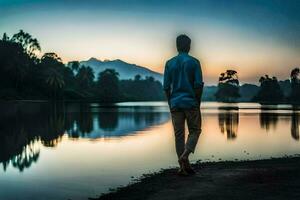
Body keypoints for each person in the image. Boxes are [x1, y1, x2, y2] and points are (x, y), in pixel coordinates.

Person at [163, 34, 203, 176]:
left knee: (179, 135)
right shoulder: (194, 62)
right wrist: (197, 102)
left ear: (176, 46)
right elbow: (198, 85)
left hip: (175, 102)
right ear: (189, 46)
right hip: (190, 102)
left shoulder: (169, 63)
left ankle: (183, 167)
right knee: (195, 130)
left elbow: (166, 87)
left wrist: (170, 102)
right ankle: (185, 156)